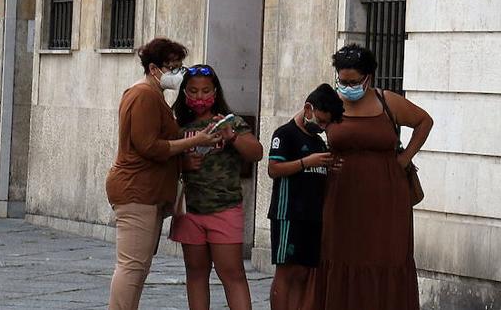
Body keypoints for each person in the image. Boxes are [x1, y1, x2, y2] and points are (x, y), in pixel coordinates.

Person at [311, 44, 434, 309]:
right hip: (341, 195)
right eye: (342, 81)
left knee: (385, 255)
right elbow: (300, 126)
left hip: (386, 195)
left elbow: (424, 121)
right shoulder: (330, 102)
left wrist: (404, 158)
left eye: (353, 82)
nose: (347, 87)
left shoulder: (387, 101)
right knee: (341, 253)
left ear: (369, 78)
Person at [106, 38, 221, 310]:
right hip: (137, 190)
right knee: (132, 266)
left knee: (138, 267)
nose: (179, 73)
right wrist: (196, 141)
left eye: (181, 66)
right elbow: (149, 146)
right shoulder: (143, 94)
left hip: (148, 190)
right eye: (174, 67)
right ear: (154, 68)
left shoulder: (153, 94)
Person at [169, 64, 264, 310]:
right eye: (193, 91)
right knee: (196, 274)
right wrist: (183, 165)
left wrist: (232, 135)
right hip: (190, 211)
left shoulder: (230, 122)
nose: (200, 97)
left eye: (205, 90)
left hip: (225, 209)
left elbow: (256, 153)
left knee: (232, 274)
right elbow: (162, 160)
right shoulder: (177, 127)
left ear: (215, 92)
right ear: (184, 93)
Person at [266, 84, 345, 310]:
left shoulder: (318, 141)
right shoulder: (285, 134)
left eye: (326, 123)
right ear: (308, 109)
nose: (322, 127)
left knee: (303, 273)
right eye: (320, 120)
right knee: (286, 270)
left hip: (313, 215)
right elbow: (274, 169)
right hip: (289, 213)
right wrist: (305, 163)